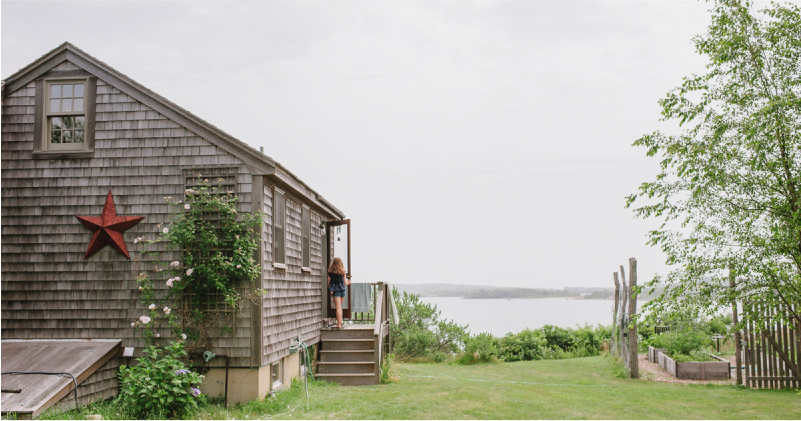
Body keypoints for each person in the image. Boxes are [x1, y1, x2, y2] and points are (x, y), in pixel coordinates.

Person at [328, 257, 351, 329]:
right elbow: (345, 283)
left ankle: (339, 324)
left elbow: (328, 284)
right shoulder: (343, 272)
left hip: (336, 291)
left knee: (338, 307)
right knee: (339, 307)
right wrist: (349, 282)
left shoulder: (330, 272)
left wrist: (330, 290)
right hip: (343, 291)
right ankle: (340, 322)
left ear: (333, 264)